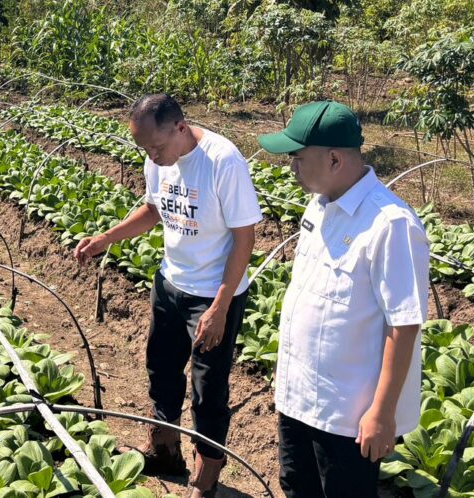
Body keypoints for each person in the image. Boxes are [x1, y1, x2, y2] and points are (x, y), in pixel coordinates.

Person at [74, 94, 262, 498]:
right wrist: (104, 239)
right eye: (145, 149)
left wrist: (220, 306)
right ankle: (164, 450)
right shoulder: (157, 157)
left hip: (213, 295)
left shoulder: (222, 162)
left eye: (156, 147)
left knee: (208, 389)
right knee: (160, 367)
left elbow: (245, 239)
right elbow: (154, 210)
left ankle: (205, 477)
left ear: (180, 127)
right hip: (170, 282)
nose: (152, 157)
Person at [257, 101, 429, 498]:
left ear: (334, 159)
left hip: (347, 415)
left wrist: (382, 413)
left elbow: (404, 325)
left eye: (297, 158)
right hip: (298, 397)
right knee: (296, 486)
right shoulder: (320, 205)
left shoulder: (391, 225)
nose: (292, 168)